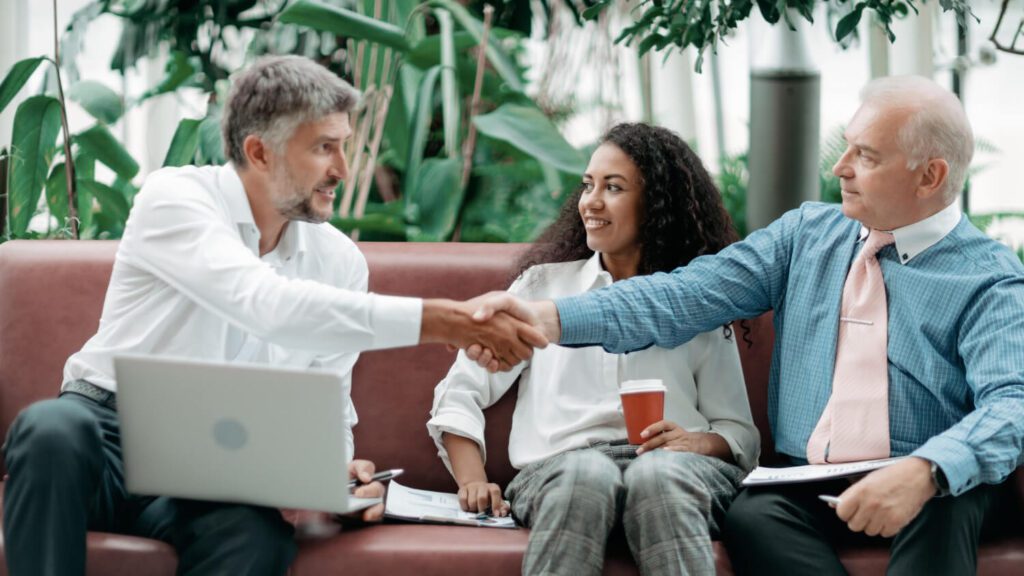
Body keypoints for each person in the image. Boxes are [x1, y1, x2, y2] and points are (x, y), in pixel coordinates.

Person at [2, 55, 544, 576]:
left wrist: (329, 476)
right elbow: (262, 305)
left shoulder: (338, 260)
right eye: (323, 149)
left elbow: (326, 396)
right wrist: (443, 320)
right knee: (51, 428)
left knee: (253, 533)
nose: (342, 170)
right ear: (259, 152)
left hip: (207, 465)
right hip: (101, 439)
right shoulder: (176, 198)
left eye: (344, 146)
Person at [471, 76, 1024, 575]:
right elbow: (684, 295)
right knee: (754, 514)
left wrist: (927, 469)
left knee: (946, 504)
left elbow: (1013, 403)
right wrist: (549, 316)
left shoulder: (990, 279)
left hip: (933, 478)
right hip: (806, 482)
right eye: (847, 146)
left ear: (930, 176)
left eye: (866, 156)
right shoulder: (806, 234)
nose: (841, 167)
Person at [428, 123, 760, 576]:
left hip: (677, 472)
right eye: (588, 185)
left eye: (614, 187)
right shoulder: (543, 288)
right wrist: (474, 482)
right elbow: (461, 391)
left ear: (657, 204)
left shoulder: (694, 300)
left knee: (656, 474)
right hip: (561, 472)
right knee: (587, 474)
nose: (591, 202)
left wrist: (697, 442)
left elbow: (739, 431)